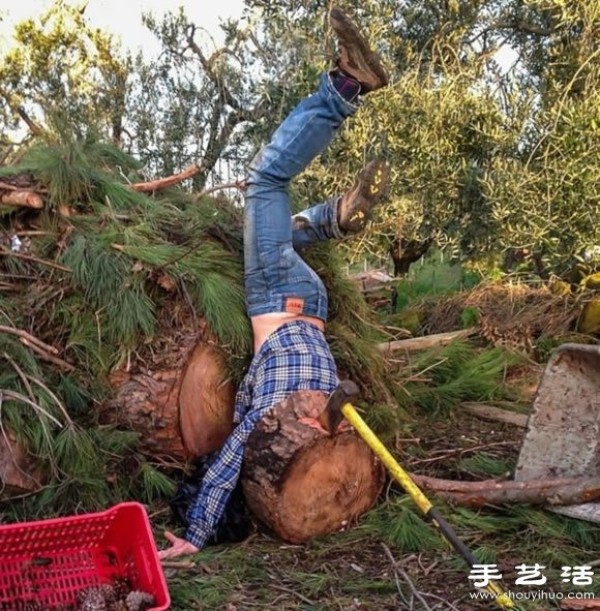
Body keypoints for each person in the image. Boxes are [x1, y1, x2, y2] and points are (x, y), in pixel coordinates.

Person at [159, 6, 390, 559]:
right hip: (278, 297)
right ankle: (343, 92)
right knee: (266, 183)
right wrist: (194, 535)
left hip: (309, 303)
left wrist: (195, 537)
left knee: (268, 211)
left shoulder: (329, 401)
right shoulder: (281, 414)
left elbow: (235, 463)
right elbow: (222, 471)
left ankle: (333, 202)